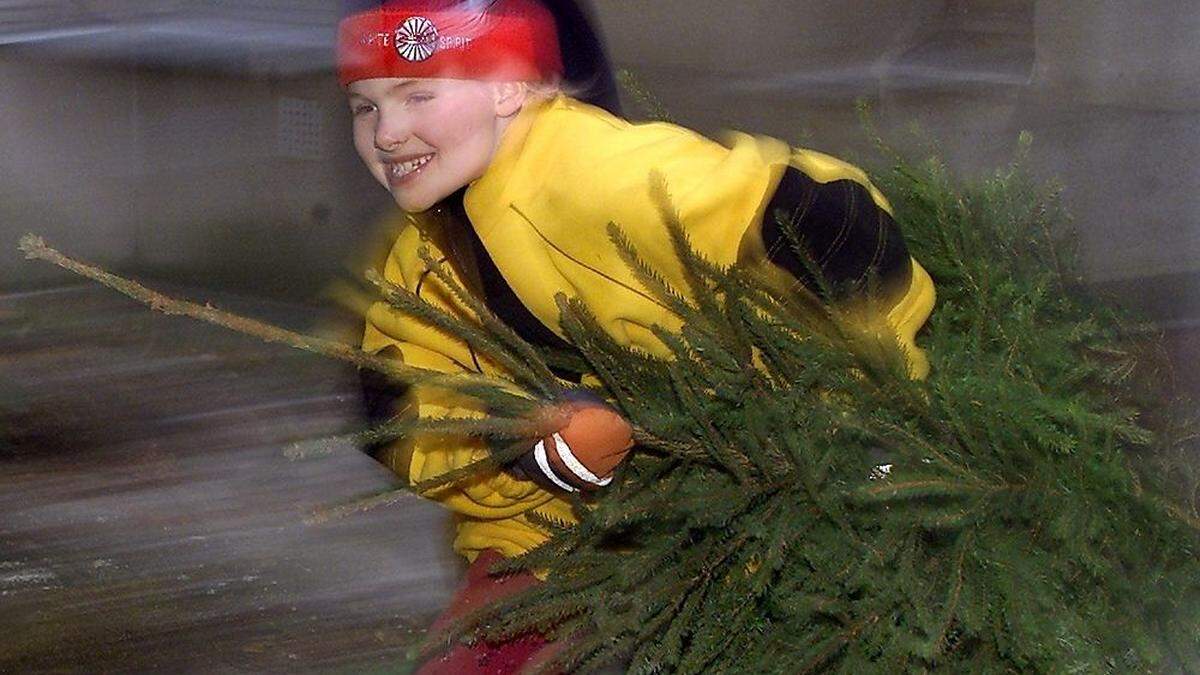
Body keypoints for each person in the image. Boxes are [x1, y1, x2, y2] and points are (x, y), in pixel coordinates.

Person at [337, 0, 935, 670]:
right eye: (365, 107)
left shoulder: (602, 174)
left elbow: (831, 226)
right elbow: (397, 416)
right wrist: (516, 444)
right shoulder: (417, 260)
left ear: (510, 85)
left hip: (740, 522)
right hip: (541, 542)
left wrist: (859, 417)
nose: (387, 132)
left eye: (418, 94)